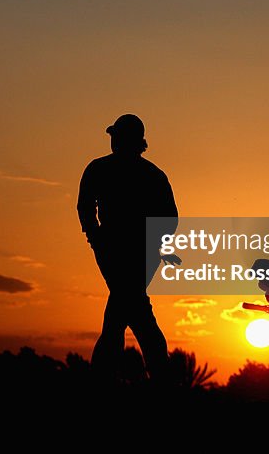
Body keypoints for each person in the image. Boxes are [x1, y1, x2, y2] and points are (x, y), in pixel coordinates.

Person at [77, 114, 178, 382]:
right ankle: (160, 377)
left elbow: (169, 218)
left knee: (125, 313)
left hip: (130, 252)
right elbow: (85, 207)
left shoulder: (145, 174)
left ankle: (104, 377)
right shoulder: (150, 175)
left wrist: (95, 236)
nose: (113, 142)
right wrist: (95, 236)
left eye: (116, 137)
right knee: (134, 310)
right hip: (118, 251)